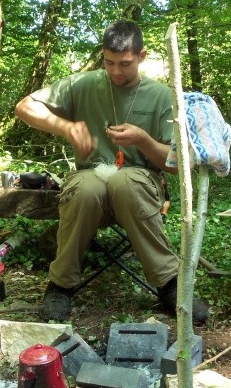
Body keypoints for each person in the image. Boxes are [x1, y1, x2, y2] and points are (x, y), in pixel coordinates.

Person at [14, 20, 209, 323]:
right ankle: (60, 285)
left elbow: (174, 165)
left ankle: (170, 284)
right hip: (91, 184)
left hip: (139, 186)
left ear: (142, 56)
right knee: (86, 187)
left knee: (125, 181)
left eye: (125, 64)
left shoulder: (161, 96)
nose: (116, 71)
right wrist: (65, 126)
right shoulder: (84, 84)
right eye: (109, 63)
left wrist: (142, 140)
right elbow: (24, 107)